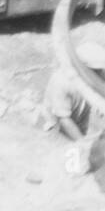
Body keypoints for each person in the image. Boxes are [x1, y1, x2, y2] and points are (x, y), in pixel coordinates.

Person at [43, 23, 105, 173]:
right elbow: (64, 120)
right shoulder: (62, 82)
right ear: (83, 68)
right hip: (58, 126)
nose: (101, 74)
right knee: (75, 166)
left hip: (81, 117)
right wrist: (82, 143)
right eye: (97, 71)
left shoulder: (91, 75)